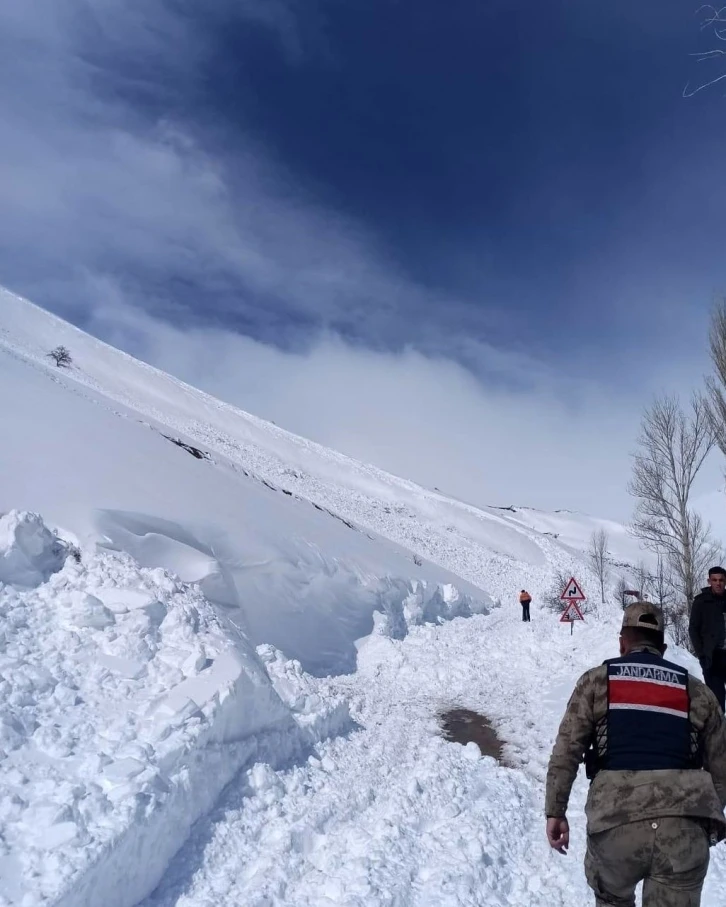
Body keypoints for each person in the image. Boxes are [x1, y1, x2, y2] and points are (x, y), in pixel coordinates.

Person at [545, 601, 726, 907]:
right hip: (682, 829)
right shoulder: (697, 692)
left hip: (615, 826)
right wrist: (705, 819)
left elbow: (567, 750)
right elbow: (721, 769)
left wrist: (555, 811)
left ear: (622, 643)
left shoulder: (597, 682)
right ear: (664, 648)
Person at [689, 565, 726, 712]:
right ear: (709, 581)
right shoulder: (701, 602)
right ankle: (720, 733)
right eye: (714, 580)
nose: (718, 583)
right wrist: (702, 655)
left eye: (721, 580)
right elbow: (693, 629)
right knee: (717, 702)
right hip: (713, 657)